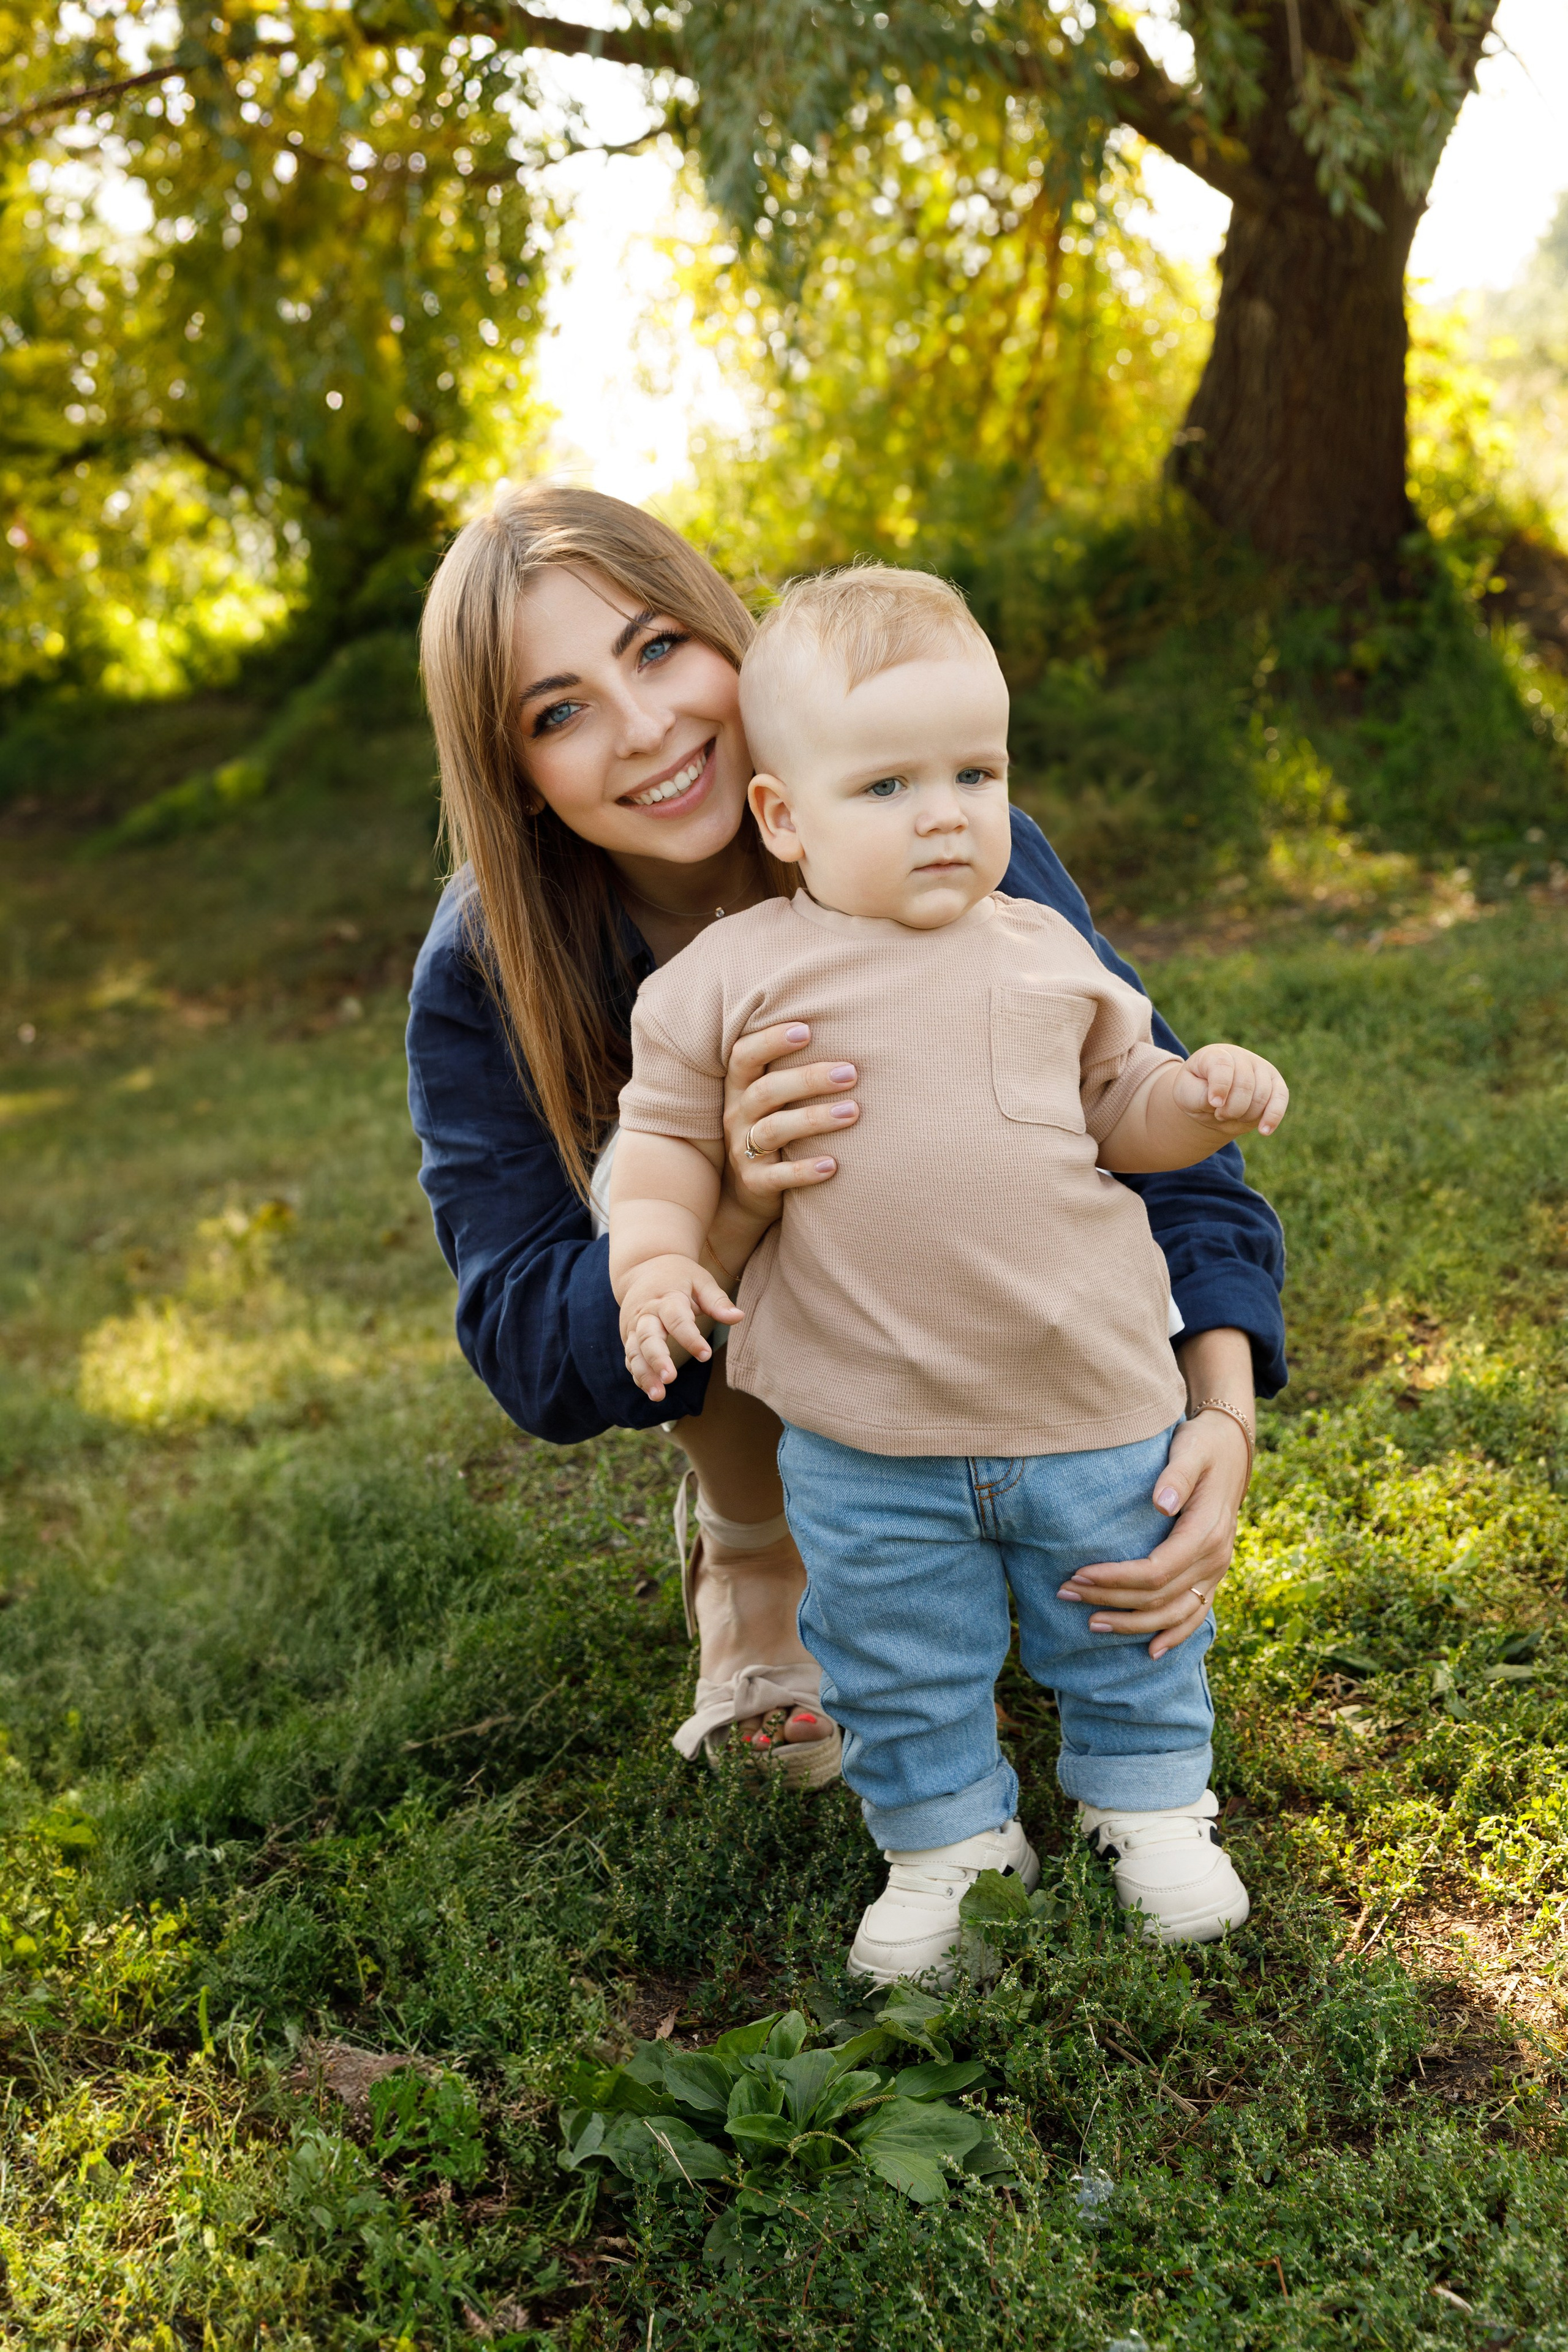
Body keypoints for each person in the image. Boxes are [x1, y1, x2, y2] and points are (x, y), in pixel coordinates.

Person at [407, 481, 1287, 1798]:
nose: (644, 726)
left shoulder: (941, 830)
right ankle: (755, 1540)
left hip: (988, 1328)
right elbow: (530, 1343)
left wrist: (1218, 1413)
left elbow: (1150, 1131)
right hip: (764, 1354)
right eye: (559, 710)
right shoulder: (488, 965)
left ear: (724, 635)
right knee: (674, 1183)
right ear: (516, 775)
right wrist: (728, 1202)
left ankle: (966, 1494)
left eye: (656, 648)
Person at [608, 565, 1287, 1979]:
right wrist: (660, 1255)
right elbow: (664, 1141)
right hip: (867, 1432)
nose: (944, 813)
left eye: (974, 772)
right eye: (887, 786)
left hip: (1088, 1394)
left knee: (1124, 1615)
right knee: (892, 1652)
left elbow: (1124, 1107)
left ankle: (1148, 1804)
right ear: (782, 819)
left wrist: (1200, 1097)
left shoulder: (1043, 950)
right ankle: (947, 1846)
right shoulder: (729, 979)